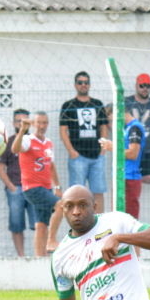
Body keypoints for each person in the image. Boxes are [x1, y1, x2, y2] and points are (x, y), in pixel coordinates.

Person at [59, 71, 110, 215]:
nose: (83, 85)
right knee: (76, 195)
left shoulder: (97, 104)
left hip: (97, 157)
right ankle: (79, 226)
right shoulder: (68, 106)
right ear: (75, 84)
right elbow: (63, 131)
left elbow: (104, 127)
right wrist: (71, 152)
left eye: (86, 82)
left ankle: (100, 223)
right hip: (78, 157)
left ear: (89, 85)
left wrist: (103, 148)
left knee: (98, 192)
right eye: (80, 82)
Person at [13, 112, 63, 257]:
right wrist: (22, 130)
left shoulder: (48, 143)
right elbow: (15, 149)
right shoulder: (28, 140)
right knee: (61, 205)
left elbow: (51, 166)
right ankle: (52, 240)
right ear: (34, 124)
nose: (42, 126)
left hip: (46, 187)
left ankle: (39, 257)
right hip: (32, 188)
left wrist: (57, 186)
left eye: (45, 123)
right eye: (39, 122)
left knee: (41, 225)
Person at [0, 108, 37, 257]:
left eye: (24, 121)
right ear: (13, 123)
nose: (21, 124)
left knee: (39, 224)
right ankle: (21, 256)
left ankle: (38, 256)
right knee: (16, 224)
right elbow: (1, 167)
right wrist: (11, 187)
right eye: (18, 121)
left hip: (33, 189)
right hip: (16, 188)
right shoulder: (8, 142)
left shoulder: (34, 140)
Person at [100, 107, 145, 218]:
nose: (112, 123)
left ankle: (131, 235)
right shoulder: (128, 128)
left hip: (129, 177)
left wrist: (112, 147)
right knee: (117, 216)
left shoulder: (135, 128)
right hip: (122, 176)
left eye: (112, 119)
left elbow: (133, 154)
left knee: (129, 217)